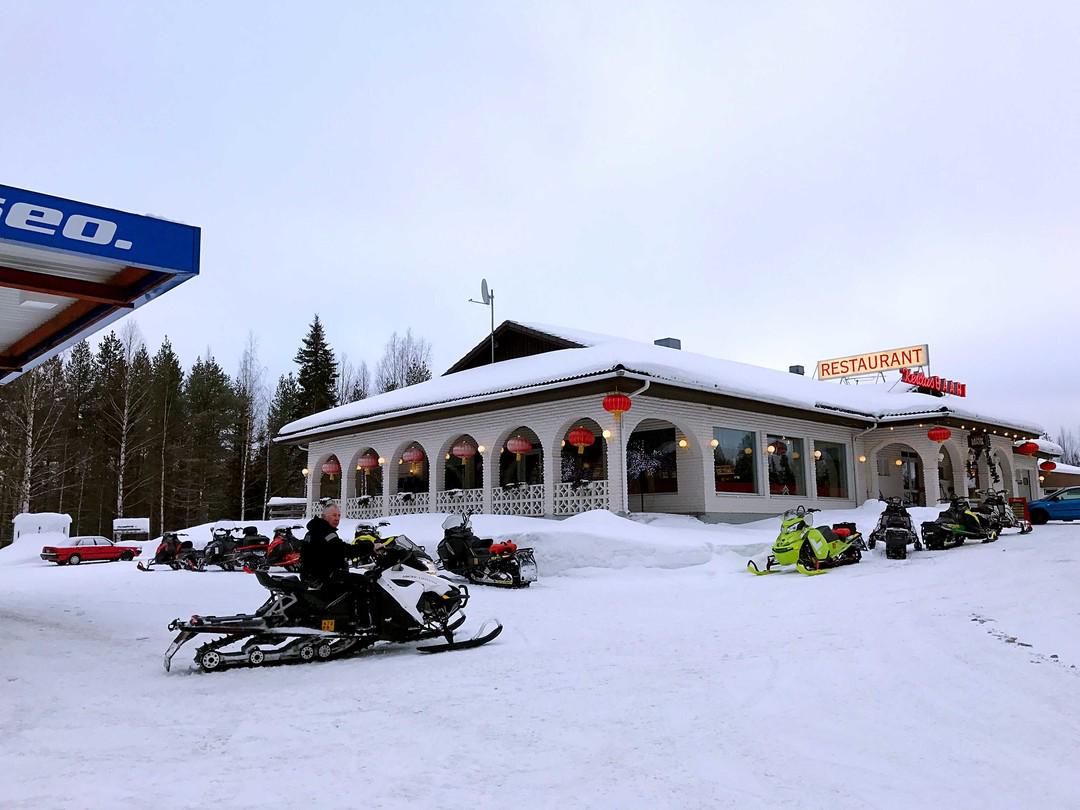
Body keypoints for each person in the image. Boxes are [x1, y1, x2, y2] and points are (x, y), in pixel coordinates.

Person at [300, 503, 379, 625]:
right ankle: (363, 624)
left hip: (313, 574)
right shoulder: (325, 532)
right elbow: (342, 550)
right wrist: (369, 547)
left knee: (353, 582)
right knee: (364, 583)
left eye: (339, 515)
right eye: (334, 515)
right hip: (323, 575)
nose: (337, 518)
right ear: (325, 516)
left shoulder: (314, 530)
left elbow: (333, 552)